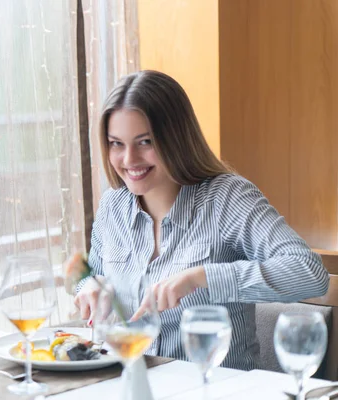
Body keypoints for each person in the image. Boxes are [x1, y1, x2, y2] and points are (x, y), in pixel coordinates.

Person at [72, 70, 329, 370]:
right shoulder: (112, 205)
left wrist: (203, 277)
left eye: (145, 142)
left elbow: (309, 272)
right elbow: (91, 272)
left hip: (218, 390)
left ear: (175, 138)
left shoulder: (227, 198)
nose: (129, 160)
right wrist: (87, 286)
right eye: (116, 143)